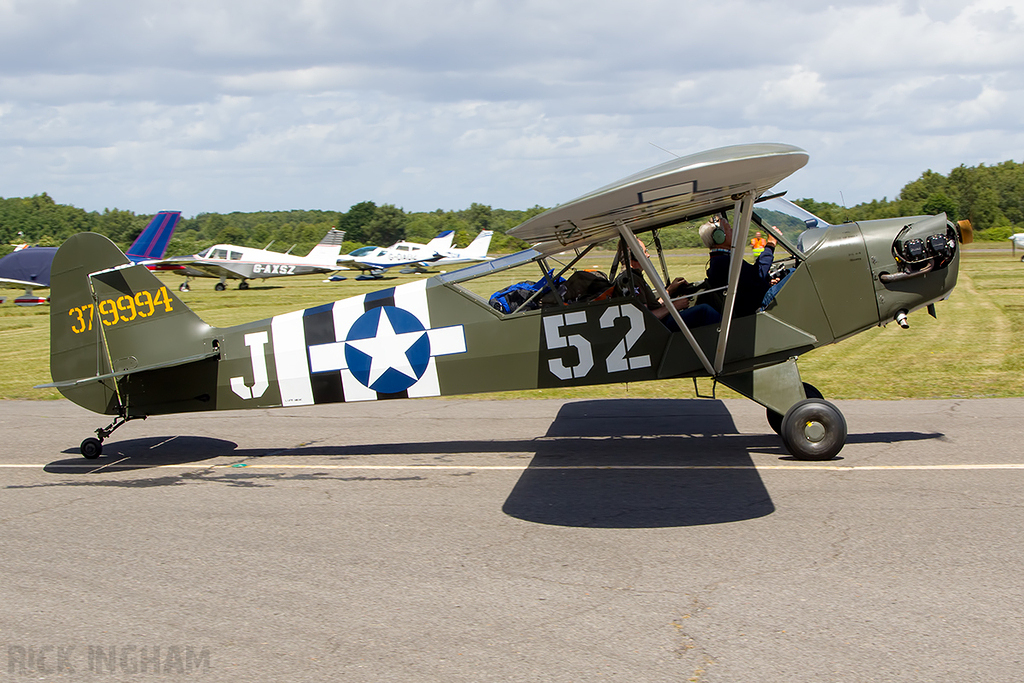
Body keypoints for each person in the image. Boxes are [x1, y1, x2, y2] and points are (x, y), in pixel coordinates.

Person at [697, 213, 776, 318]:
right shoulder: (725, 261)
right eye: (729, 229)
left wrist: (767, 280)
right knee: (793, 273)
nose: (733, 231)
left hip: (749, 304)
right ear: (719, 237)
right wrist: (770, 245)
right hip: (754, 308)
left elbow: (750, 280)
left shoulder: (719, 260)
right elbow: (758, 275)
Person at [612, 241, 691, 327]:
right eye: (645, 252)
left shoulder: (633, 276)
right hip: (659, 327)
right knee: (704, 310)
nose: (648, 255)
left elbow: (653, 307)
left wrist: (669, 290)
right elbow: (645, 316)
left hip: (659, 323)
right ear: (635, 256)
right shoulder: (631, 279)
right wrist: (674, 306)